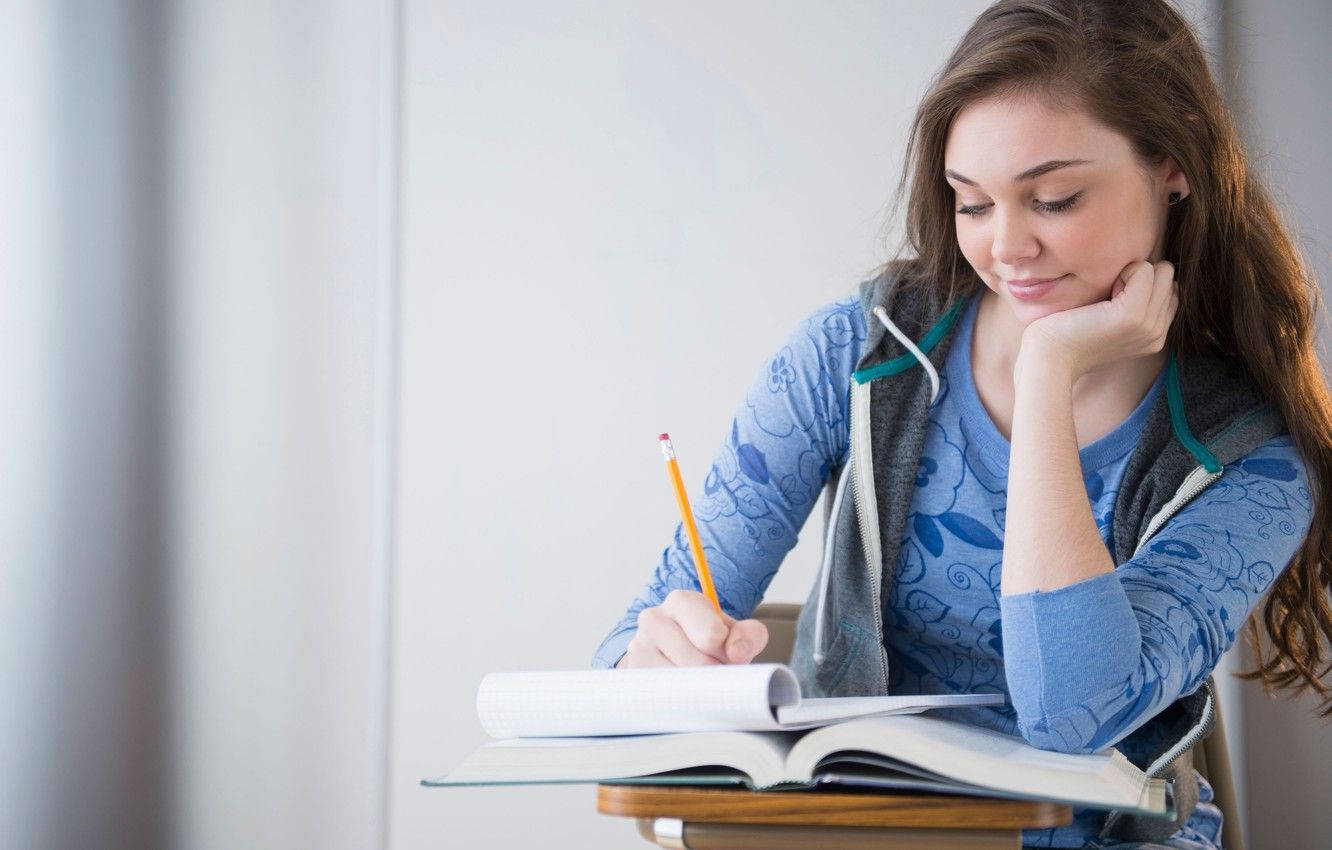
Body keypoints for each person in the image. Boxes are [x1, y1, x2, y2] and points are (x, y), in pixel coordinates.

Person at [593, 1, 1332, 847]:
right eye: (971, 204)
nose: (1007, 247)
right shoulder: (861, 354)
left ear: (1176, 162)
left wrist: (1048, 373)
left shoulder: (1250, 455)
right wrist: (645, 668)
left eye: (1053, 199)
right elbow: (635, 634)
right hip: (870, 833)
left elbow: (1071, 715)